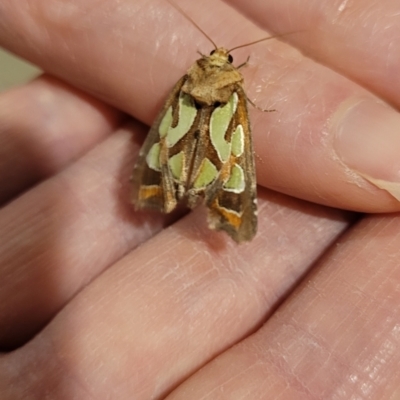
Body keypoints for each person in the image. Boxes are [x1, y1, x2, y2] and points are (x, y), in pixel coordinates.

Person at [0, 0, 399, 398]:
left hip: (179, 130)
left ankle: (158, 184)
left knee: (168, 138)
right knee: (235, 152)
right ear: (230, 68)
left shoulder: (186, 82)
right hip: (224, 142)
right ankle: (225, 205)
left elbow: (167, 124)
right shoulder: (236, 89)